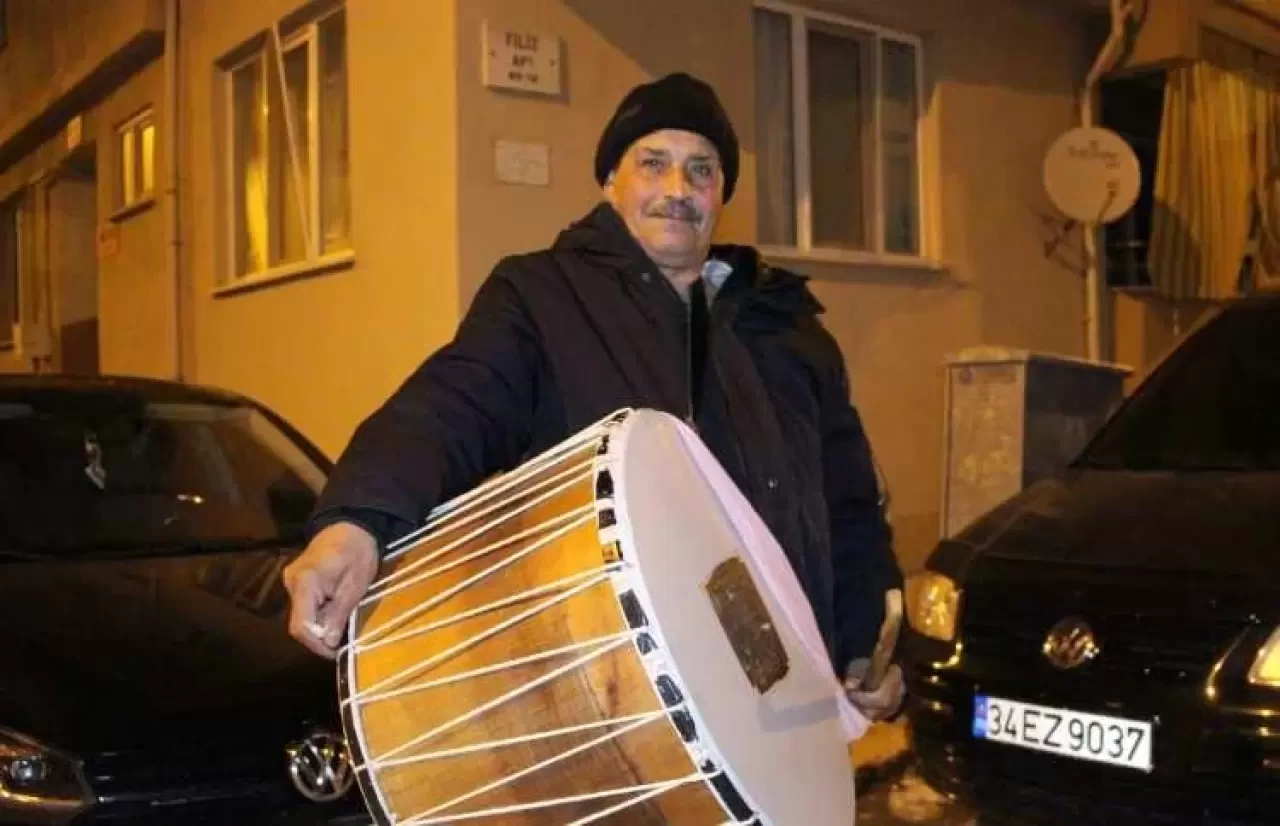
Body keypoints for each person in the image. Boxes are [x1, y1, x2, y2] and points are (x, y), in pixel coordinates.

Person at [282, 72, 906, 722]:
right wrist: (357, 522)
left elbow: (850, 508)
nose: (678, 189)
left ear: (722, 193)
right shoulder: (543, 298)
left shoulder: (788, 328)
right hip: (622, 707)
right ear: (611, 181)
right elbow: (450, 407)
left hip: (788, 713)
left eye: (701, 170)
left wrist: (870, 644)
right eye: (653, 164)